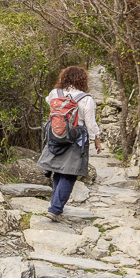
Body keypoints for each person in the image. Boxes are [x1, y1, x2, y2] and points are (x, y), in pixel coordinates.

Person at [37, 65, 101, 224]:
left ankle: (55, 205)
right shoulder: (86, 99)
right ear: (82, 80)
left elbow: (50, 104)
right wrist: (96, 140)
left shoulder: (55, 93)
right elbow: (90, 123)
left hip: (55, 136)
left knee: (58, 171)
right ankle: (55, 209)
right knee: (69, 173)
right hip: (75, 139)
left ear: (64, 77)